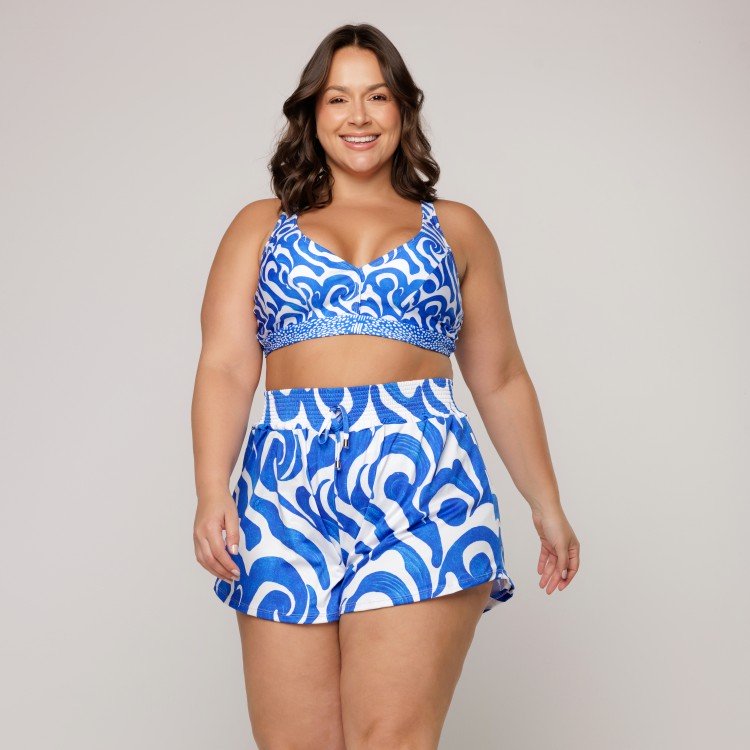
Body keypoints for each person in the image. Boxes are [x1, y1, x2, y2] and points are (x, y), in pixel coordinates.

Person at [192, 22, 580, 750]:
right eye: (338, 98)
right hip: (284, 493)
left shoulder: (456, 229)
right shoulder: (260, 226)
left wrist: (546, 505)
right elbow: (225, 366)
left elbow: (500, 377)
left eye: (377, 96)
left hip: (425, 488)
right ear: (312, 114)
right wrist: (212, 491)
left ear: (403, 108)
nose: (359, 116)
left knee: (391, 739)